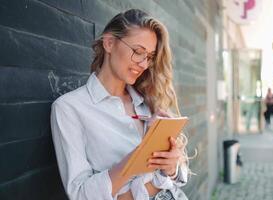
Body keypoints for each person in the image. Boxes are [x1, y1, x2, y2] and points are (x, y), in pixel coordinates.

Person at [50, 9, 189, 200]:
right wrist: (142, 156)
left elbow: (178, 176)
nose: (143, 64)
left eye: (149, 56)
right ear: (109, 43)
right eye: (138, 52)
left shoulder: (147, 102)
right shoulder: (69, 108)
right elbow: (80, 194)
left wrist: (171, 167)